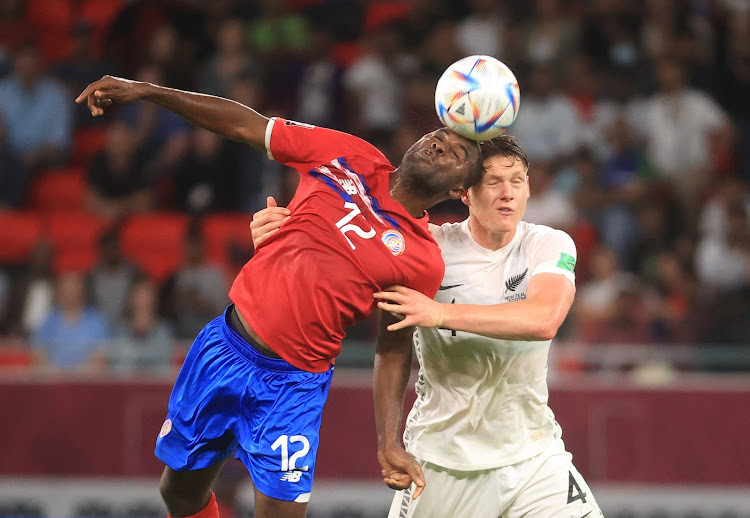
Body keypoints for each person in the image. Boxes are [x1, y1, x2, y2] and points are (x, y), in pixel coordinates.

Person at [75, 75, 482, 518]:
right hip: (225, 347)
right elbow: (247, 126)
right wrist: (150, 91)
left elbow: (393, 346)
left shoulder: (422, 259)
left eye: (458, 154)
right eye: (437, 136)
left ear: (460, 192)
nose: (441, 146)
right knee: (178, 493)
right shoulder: (351, 154)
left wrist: (389, 442)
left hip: (293, 385)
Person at [252, 136, 604, 518]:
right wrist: (285, 238)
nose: (507, 194)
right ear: (465, 193)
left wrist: (438, 313)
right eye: (493, 182)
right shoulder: (426, 251)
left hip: (535, 458)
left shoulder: (547, 244)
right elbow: (389, 346)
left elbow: (544, 319)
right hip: (442, 462)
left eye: (517, 181)